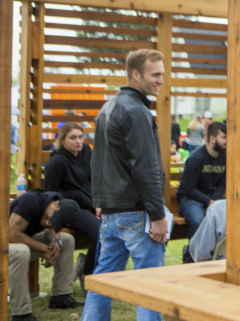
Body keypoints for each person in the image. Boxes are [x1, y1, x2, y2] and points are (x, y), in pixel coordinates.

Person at [83, 49, 168, 321]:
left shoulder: (107, 108)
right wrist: (157, 216)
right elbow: (147, 168)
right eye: (155, 74)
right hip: (136, 212)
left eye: (162, 75)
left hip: (111, 212)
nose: (161, 81)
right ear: (136, 74)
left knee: (103, 281)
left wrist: (100, 202)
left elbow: (97, 162)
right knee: (150, 284)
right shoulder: (136, 111)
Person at [9, 192, 83, 321]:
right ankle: (21, 314)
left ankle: (60, 297)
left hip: (18, 242)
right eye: (52, 218)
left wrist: (56, 242)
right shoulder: (30, 201)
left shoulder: (59, 202)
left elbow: (51, 228)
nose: (50, 223)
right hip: (5, 242)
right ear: (55, 204)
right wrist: (44, 248)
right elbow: (12, 235)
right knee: (21, 251)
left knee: (66, 240)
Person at [43, 123, 100, 282]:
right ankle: (89, 277)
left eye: (80, 137)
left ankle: (87, 267)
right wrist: (78, 196)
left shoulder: (86, 152)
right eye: (73, 138)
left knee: (114, 231)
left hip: (91, 205)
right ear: (62, 140)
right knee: (102, 235)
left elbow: (94, 180)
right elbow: (50, 194)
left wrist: (98, 203)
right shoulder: (57, 162)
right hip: (71, 209)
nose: (78, 141)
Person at [177, 121, 226, 240]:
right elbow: (189, 189)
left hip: (211, 197)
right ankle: (193, 256)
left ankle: (218, 255)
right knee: (199, 221)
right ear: (212, 138)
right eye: (224, 137)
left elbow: (222, 185)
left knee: (231, 217)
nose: (227, 141)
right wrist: (209, 202)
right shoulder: (196, 159)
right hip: (190, 199)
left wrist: (214, 202)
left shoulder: (224, 158)